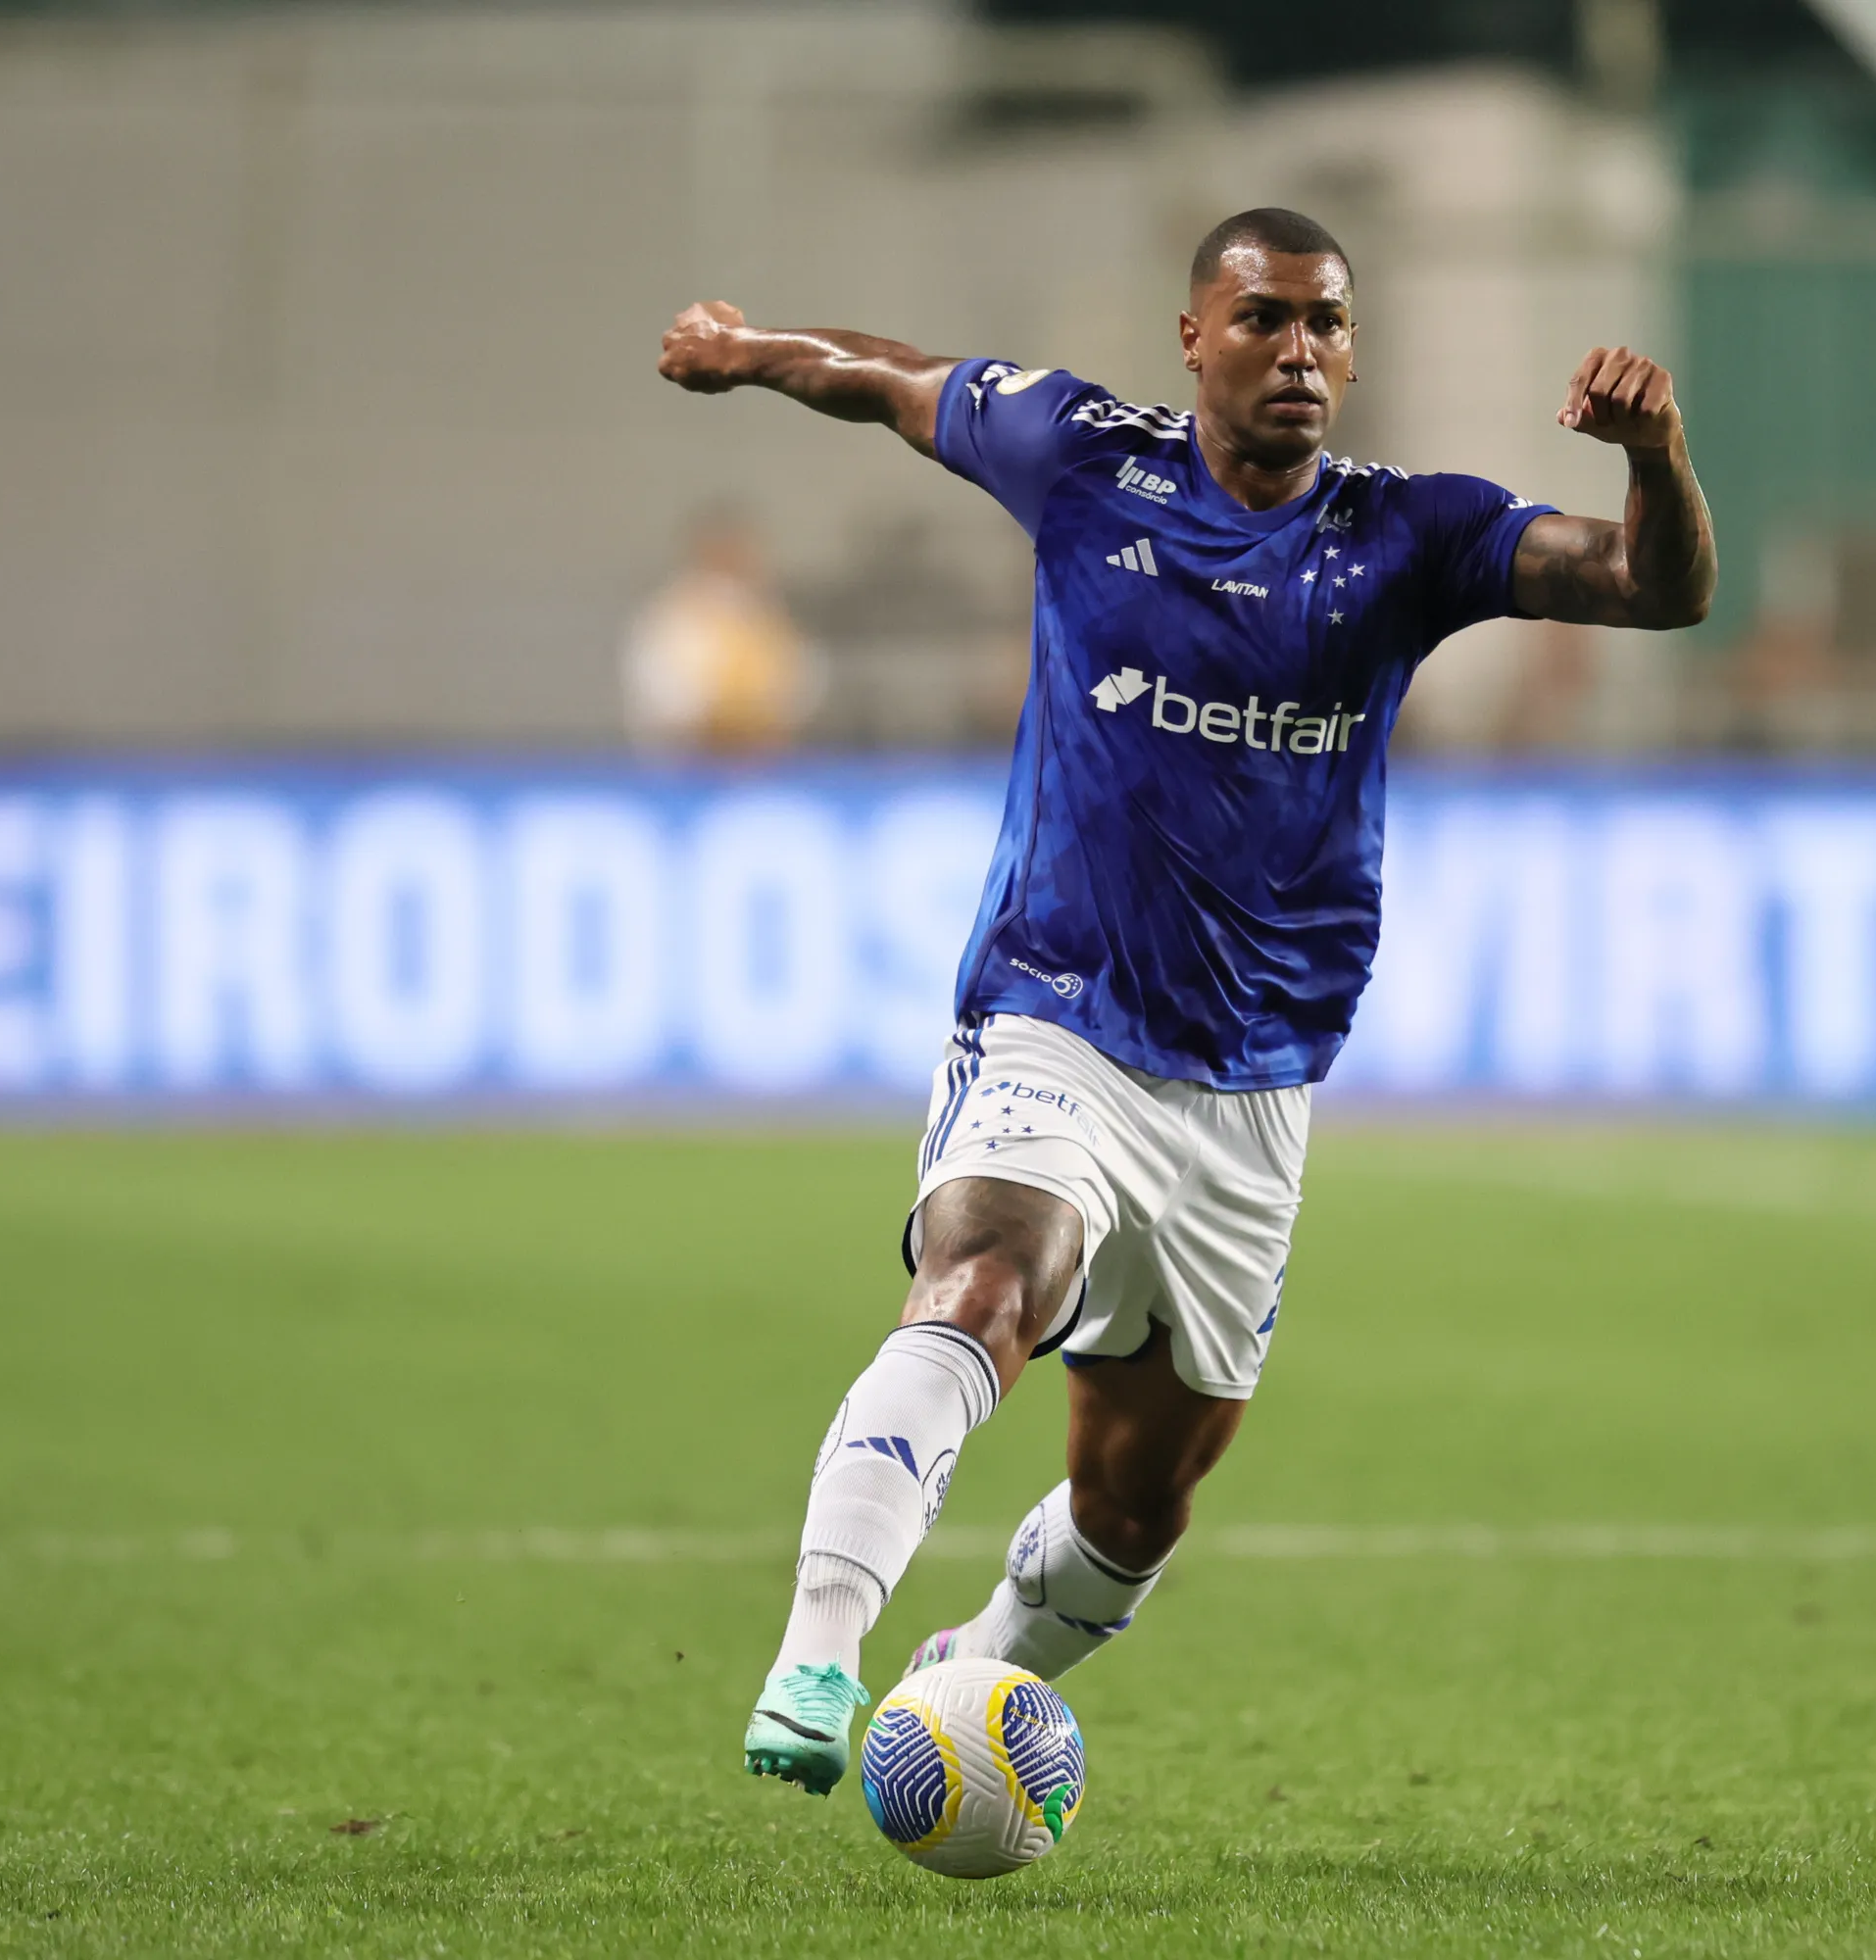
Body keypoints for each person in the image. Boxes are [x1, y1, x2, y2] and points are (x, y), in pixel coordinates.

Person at [655, 206, 1716, 1795]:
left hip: (1257, 1085)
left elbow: (1654, 585)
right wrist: (753, 356)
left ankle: (970, 1689)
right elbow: (892, 381)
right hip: (1059, 1013)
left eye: (1328, 327)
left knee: (1137, 1504)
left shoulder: (1406, 534)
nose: (1301, 352)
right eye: (1268, 319)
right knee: (984, 1279)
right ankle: (818, 1651)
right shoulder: (1084, 456)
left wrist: (1658, 453)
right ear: (1194, 337)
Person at [620, 509, 824, 755]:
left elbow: (800, 685)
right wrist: (721, 721)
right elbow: (659, 695)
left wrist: (766, 719)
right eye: (721, 552)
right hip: (686, 767)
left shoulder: (768, 618)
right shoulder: (669, 618)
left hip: (763, 764)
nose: (730, 561)